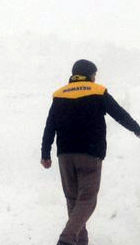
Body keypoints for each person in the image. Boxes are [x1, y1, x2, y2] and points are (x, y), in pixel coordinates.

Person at [41, 59, 140, 245]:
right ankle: (67, 238)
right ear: (89, 74)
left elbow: (49, 128)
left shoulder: (59, 94)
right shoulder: (98, 91)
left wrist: (45, 153)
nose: (95, 78)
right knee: (87, 200)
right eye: (94, 74)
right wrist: (137, 129)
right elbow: (119, 114)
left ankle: (80, 241)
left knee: (72, 199)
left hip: (65, 156)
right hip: (90, 153)